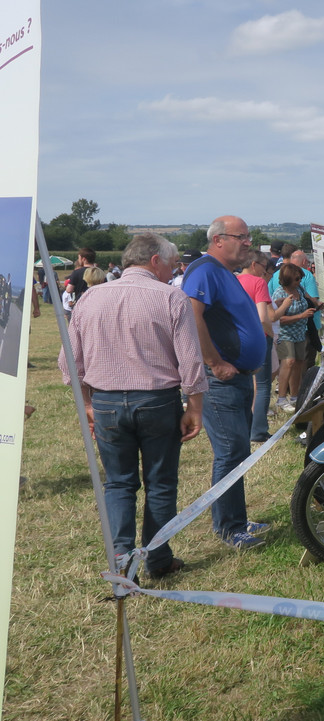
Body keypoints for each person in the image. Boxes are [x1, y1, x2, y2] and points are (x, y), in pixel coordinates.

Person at [58, 233, 206, 579]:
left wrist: (88, 403)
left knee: (119, 484)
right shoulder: (171, 296)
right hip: (157, 400)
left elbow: (69, 362)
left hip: (106, 401)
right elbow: (190, 360)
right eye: (171, 264)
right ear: (155, 260)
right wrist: (195, 407)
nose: (173, 271)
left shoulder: (90, 297)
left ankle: (122, 563)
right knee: (160, 483)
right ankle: (157, 559)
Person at [183, 215, 270, 550]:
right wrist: (214, 362)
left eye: (249, 237)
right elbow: (191, 315)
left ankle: (236, 518)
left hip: (238, 379)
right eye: (241, 236)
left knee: (237, 452)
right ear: (218, 239)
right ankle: (229, 528)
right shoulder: (204, 270)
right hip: (220, 382)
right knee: (230, 452)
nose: (248, 242)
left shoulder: (224, 273)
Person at [237, 250, 283, 442]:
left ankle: (244, 427)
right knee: (263, 385)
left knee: (244, 385)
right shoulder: (258, 283)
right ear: (254, 264)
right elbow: (264, 318)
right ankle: (259, 431)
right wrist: (271, 335)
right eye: (264, 268)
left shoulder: (233, 280)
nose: (265, 273)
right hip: (258, 337)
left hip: (237, 339)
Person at [271, 264, 316, 413]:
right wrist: (301, 316)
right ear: (288, 279)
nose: (299, 281)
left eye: (300, 278)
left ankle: (295, 396)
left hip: (300, 333)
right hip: (285, 334)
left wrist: (316, 304)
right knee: (288, 362)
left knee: (299, 363)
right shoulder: (279, 294)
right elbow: (278, 319)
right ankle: (281, 398)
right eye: (297, 279)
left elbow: (308, 297)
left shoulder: (299, 290)